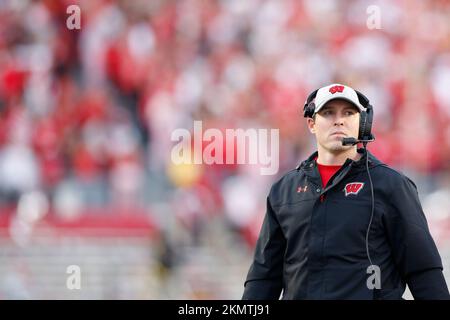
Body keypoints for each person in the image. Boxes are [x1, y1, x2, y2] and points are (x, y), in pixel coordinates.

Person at [242, 83, 450, 300]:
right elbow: (264, 278)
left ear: (362, 123)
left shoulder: (392, 186)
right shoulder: (284, 191)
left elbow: (423, 270)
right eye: (328, 112)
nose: (338, 120)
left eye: (348, 113)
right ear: (312, 124)